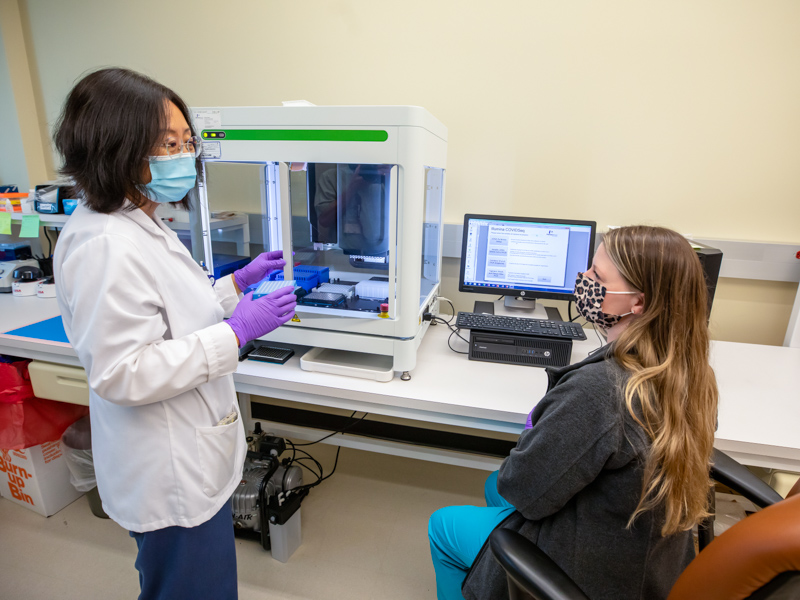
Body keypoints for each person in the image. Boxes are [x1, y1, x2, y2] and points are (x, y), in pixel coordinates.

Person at [52, 67, 296, 600]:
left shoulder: (140, 220)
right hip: (169, 474)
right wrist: (236, 333)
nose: (185, 155)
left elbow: (169, 313)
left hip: (189, 456)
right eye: (169, 143)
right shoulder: (103, 243)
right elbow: (123, 372)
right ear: (116, 143)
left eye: (188, 142)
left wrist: (234, 285)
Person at [428, 225, 719, 600]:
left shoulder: (603, 390)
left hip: (595, 574)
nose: (583, 281)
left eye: (597, 276)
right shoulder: (690, 371)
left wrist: (540, 425)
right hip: (651, 558)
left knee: (445, 525)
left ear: (639, 303)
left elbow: (521, 487)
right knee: (491, 484)